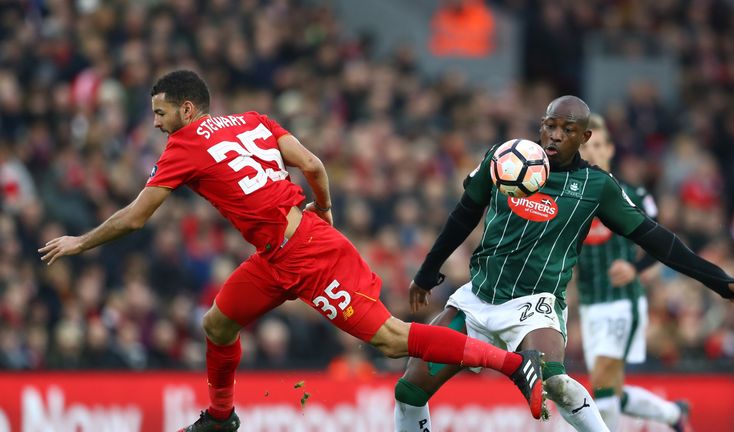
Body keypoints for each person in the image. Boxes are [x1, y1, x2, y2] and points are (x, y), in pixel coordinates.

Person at [38, 70, 545, 432]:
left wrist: (81, 241)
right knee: (217, 324)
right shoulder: (253, 120)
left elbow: (136, 215)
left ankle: (511, 365)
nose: (156, 124)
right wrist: (323, 209)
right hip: (279, 254)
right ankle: (221, 416)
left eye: (160, 113)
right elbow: (314, 164)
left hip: (306, 256)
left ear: (187, 109)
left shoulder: (184, 144)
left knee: (391, 339)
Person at [393, 95, 734, 432]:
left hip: (534, 305)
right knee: (409, 389)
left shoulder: (595, 186)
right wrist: (428, 271)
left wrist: (719, 281)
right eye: (550, 126)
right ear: (541, 125)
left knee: (553, 380)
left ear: (584, 137)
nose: (554, 136)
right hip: (478, 297)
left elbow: (655, 238)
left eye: (567, 130)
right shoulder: (503, 158)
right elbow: (463, 215)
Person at [576, 114, 690, 431]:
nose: (593, 152)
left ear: (610, 149)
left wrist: (635, 267)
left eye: (599, 145)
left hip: (621, 300)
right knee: (611, 390)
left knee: (601, 382)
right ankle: (674, 414)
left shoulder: (633, 195)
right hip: (589, 302)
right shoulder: (571, 197)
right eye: (587, 146)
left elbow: (662, 244)